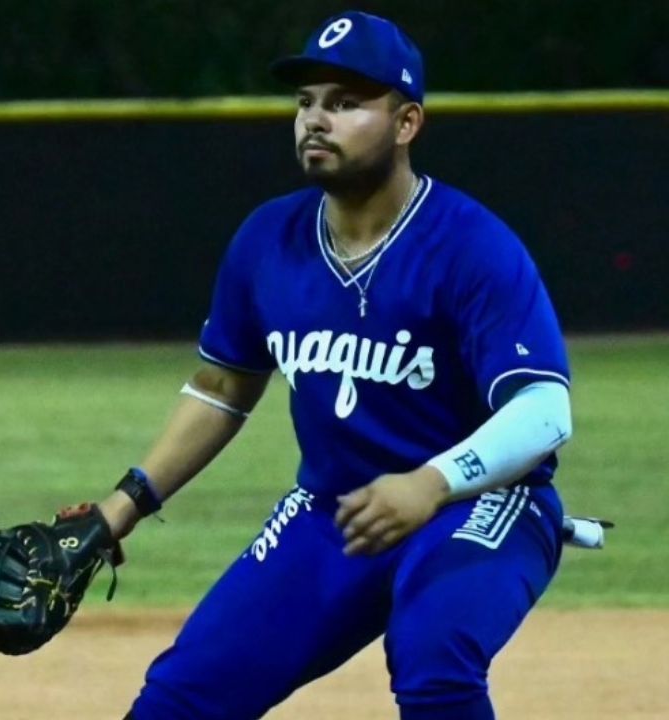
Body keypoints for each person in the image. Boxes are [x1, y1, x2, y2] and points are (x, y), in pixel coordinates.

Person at [82, 12, 582, 719]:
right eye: (306, 101)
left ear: (407, 122)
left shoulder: (471, 246)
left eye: (346, 102)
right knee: (179, 699)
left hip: (484, 502)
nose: (316, 119)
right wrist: (122, 506)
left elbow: (544, 411)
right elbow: (222, 387)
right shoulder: (268, 241)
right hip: (334, 512)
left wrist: (431, 484)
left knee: (434, 659)